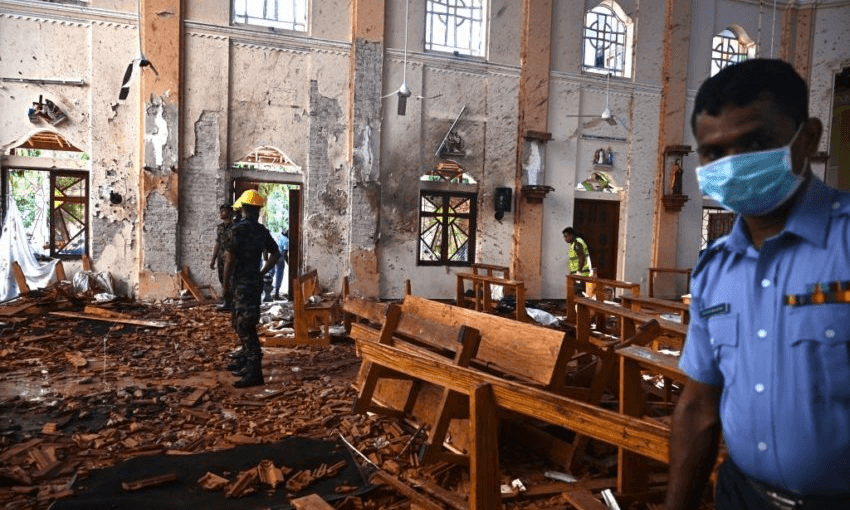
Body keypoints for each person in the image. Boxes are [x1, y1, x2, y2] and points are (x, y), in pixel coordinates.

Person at [665, 58, 850, 510]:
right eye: (714, 152)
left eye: (756, 143)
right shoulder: (716, 269)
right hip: (741, 495)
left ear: (807, 138)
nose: (734, 164)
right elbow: (698, 408)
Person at [222, 190, 280, 388]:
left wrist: (225, 285)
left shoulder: (237, 229)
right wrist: (262, 272)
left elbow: (229, 259)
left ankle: (255, 372)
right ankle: (247, 364)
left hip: (239, 283)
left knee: (244, 326)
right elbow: (275, 254)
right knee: (243, 324)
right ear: (257, 209)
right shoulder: (262, 231)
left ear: (244, 208)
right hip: (253, 283)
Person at [210, 203, 234, 311]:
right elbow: (218, 243)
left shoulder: (235, 227)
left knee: (231, 279)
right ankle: (227, 303)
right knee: (222, 278)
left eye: (223, 211)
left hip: (232, 257)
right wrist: (213, 259)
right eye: (220, 211)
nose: (221, 213)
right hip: (221, 257)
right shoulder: (220, 228)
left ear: (229, 212)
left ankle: (233, 302)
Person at [563, 227, 592, 295]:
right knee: (574, 292)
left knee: (578, 292)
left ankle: (580, 304)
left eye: (566, 236)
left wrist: (579, 271)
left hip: (581, 272)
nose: (565, 239)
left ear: (571, 235)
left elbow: (581, 256)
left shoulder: (577, 243)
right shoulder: (573, 243)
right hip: (576, 272)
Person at [273, 229, 289, 300]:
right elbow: (285, 255)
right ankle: (276, 293)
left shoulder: (279, 236)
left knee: (270, 275)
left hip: (272, 256)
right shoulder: (286, 241)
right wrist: (289, 264)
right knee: (279, 275)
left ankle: (269, 295)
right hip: (280, 258)